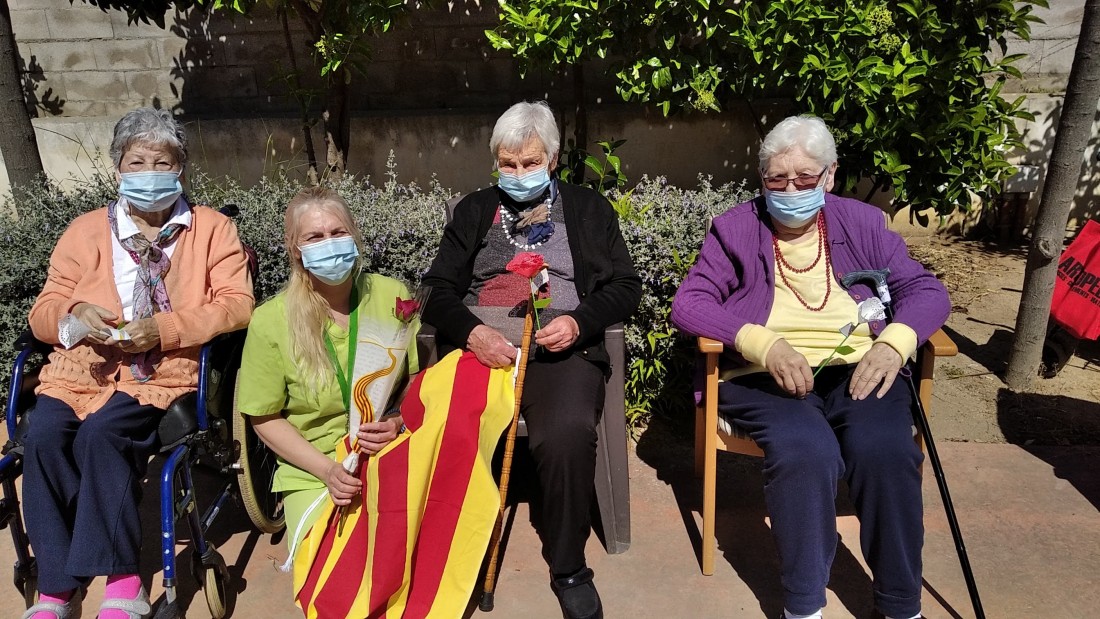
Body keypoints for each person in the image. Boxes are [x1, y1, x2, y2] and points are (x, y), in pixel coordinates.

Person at [671, 115, 950, 619]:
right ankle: (803, 607)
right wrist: (763, 344)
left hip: (858, 366)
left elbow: (925, 291)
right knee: (806, 451)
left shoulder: (862, 223)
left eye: (804, 179)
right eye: (777, 179)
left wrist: (895, 342)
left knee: (886, 451)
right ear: (762, 178)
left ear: (831, 174)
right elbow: (689, 303)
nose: (790, 190)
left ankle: (900, 605)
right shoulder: (736, 228)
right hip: (762, 375)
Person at [22, 107, 254, 619]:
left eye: (162, 162)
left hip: (162, 370)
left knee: (102, 434)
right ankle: (57, 588)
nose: (149, 173)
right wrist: (75, 314)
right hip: (84, 368)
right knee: (43, 436)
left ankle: (124, 583)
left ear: (181, 169)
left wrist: (164, 328)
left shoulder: (211, 229)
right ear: (118, 169)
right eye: (137, 162)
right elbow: (42, 311)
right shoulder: (85, 231)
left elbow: (237, 304)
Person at [421, 100, 641, 619]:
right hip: (483, 349)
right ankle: (455, 553)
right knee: (446, 427)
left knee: (566, 433)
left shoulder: (589, 209)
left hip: (559, 349)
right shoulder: (475, 211)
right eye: (508, 163)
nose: (518, 173)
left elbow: (625, 287)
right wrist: (473, 334)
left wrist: (580, 322)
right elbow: (435, 289)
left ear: (554, 159)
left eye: (530, 162)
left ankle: (569, 566)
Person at [235, 187, 416, 565]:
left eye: (338, 232)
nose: (329, 244)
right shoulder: (271, 321)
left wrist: (398, 421)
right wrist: (328, 470)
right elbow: (263, 417)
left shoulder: (392, 295)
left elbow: (416, 381)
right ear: (294, 249)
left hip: (389, 451)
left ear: (355, 235)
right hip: (313, 467)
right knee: (333, 569)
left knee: (406, 559)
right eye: (315, 237)